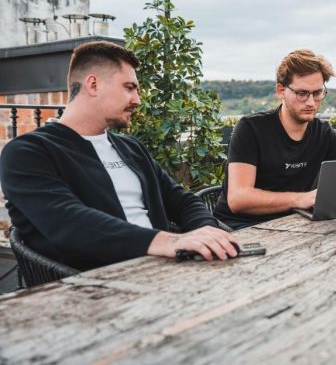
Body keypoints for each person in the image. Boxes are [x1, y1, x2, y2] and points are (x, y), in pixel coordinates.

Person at [0, 41, 238, 271]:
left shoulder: (131, 148)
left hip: (166, 271)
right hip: (93, 283)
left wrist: (207, 233)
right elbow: (68, 223)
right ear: (93, 84)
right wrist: (169, 242)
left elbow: (183, 201)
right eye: (129, 87)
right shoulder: (28, 152)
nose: (138, 100)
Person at [213, 49, 336, 229]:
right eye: (302, 93)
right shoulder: (251, 128)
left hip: (294, 224)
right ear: (281, 91)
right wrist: (301, 199)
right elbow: (238, 198)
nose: (311, 102)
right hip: (240, 227)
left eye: (317, 93)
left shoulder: (323, 132)